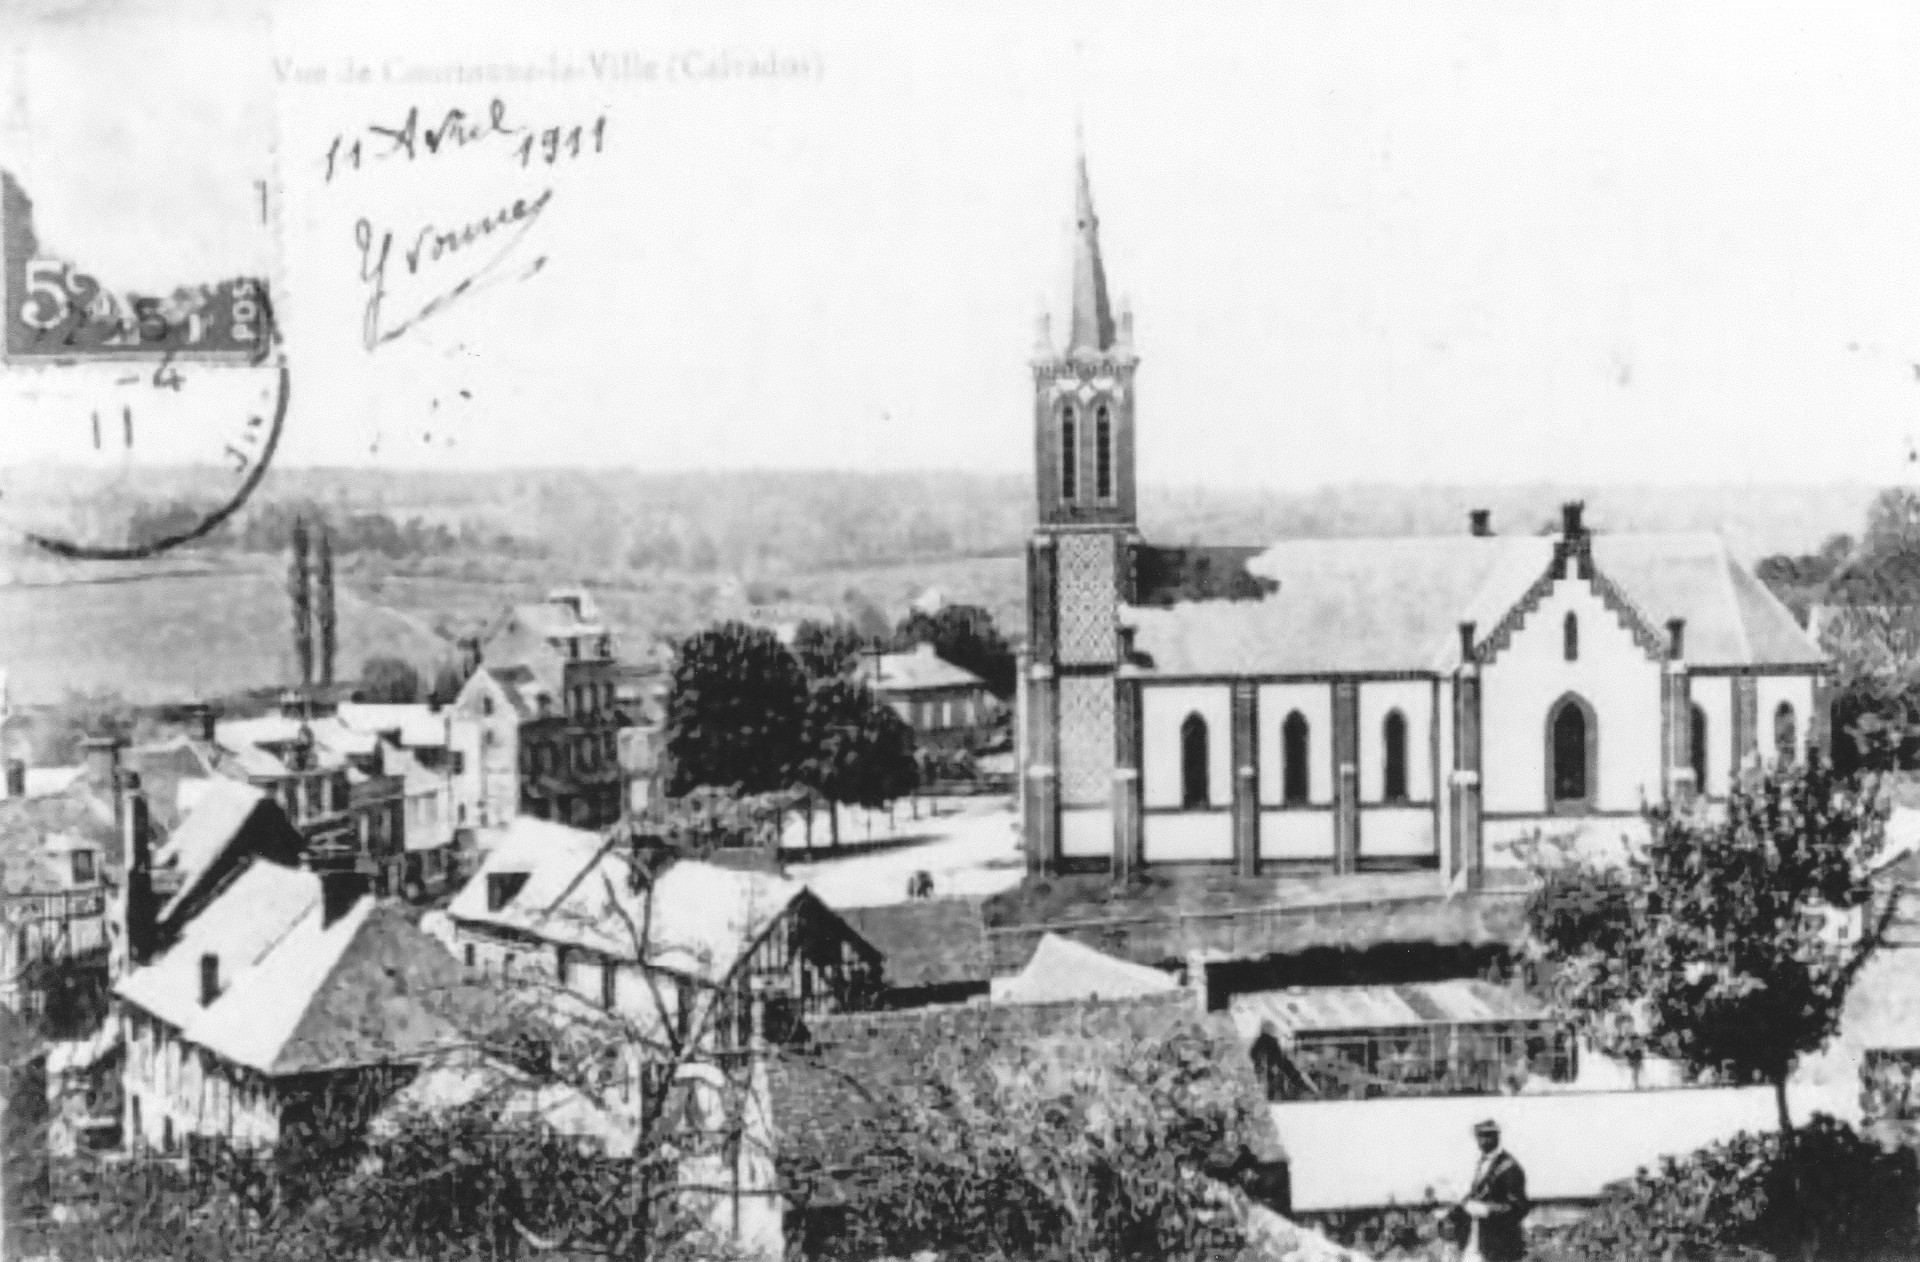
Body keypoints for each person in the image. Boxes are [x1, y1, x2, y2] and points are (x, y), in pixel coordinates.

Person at [1435, 1119, 1529, 1261]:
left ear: (1497, 1137)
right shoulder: (1482, 1164)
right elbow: (1475, 1197)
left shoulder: (1509, 1168)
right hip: (1477, 1241)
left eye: (1488, 1135)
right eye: (1480, 1136)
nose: (1483, 1140)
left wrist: (1486, 1210)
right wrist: (1451, 1213)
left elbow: (1519, 1207)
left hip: (1500, 1246)